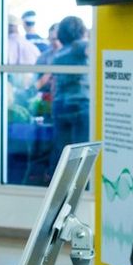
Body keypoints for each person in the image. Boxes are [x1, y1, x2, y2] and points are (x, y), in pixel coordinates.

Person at [50, 15, 90, 176]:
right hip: (80, 104)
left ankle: (60, 185)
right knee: (82, 152)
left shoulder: (58, 54)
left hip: (60, 105)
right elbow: (92, 50)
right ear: (81, 30)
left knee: (62, 151)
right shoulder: (80, 45)